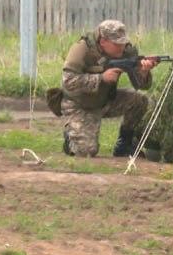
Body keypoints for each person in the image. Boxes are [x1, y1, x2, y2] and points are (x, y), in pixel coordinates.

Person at [59, 19, 156, 157]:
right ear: (103, 41)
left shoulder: (126, 51)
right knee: (86, 151)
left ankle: (124, 144)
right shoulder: (82, 49)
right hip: (79, 104)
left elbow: (142, 85)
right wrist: (101, 78)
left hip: (105, 100)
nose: (121, 47)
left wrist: (144, 72)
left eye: (123, 43)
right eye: (117, 44)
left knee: (139, 101)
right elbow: (68, 81)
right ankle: (71, 137)